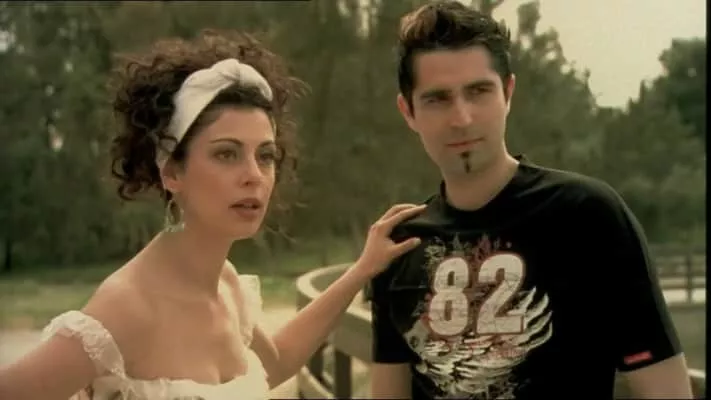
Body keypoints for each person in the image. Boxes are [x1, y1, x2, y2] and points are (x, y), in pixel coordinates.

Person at [0, 29, 425, 400]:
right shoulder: (130, 306)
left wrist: (362, 270)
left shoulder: (227, 285)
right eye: (226, 154)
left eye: (265, 155)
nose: (253, 175)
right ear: (172, 171)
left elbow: (276, 362)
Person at [368, 2, 694, 399]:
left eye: (478, 91)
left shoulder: (586, 215)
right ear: (408, 111)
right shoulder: (401, 246)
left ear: (507, 93)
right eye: (437, 99)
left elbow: (666, 391)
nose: (462, 118)